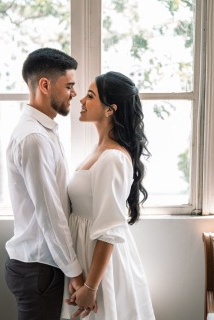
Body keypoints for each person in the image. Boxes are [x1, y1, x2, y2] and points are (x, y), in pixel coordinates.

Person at [61, 71, 156, 319]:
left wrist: (91, 287)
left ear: (109, 110)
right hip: (85, 254)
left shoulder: (112, 158)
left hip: (99, 266)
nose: (81, 100)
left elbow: (109, 230)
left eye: (90, 96)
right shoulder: (99, 151)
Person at [5, 48, 84, 320]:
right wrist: (75, 270)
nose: (74, 93)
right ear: (45, 85)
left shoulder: (44, 131)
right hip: (38, 267)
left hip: (42, 265)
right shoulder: (34, 138)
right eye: (69, 86)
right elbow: (49, 213)